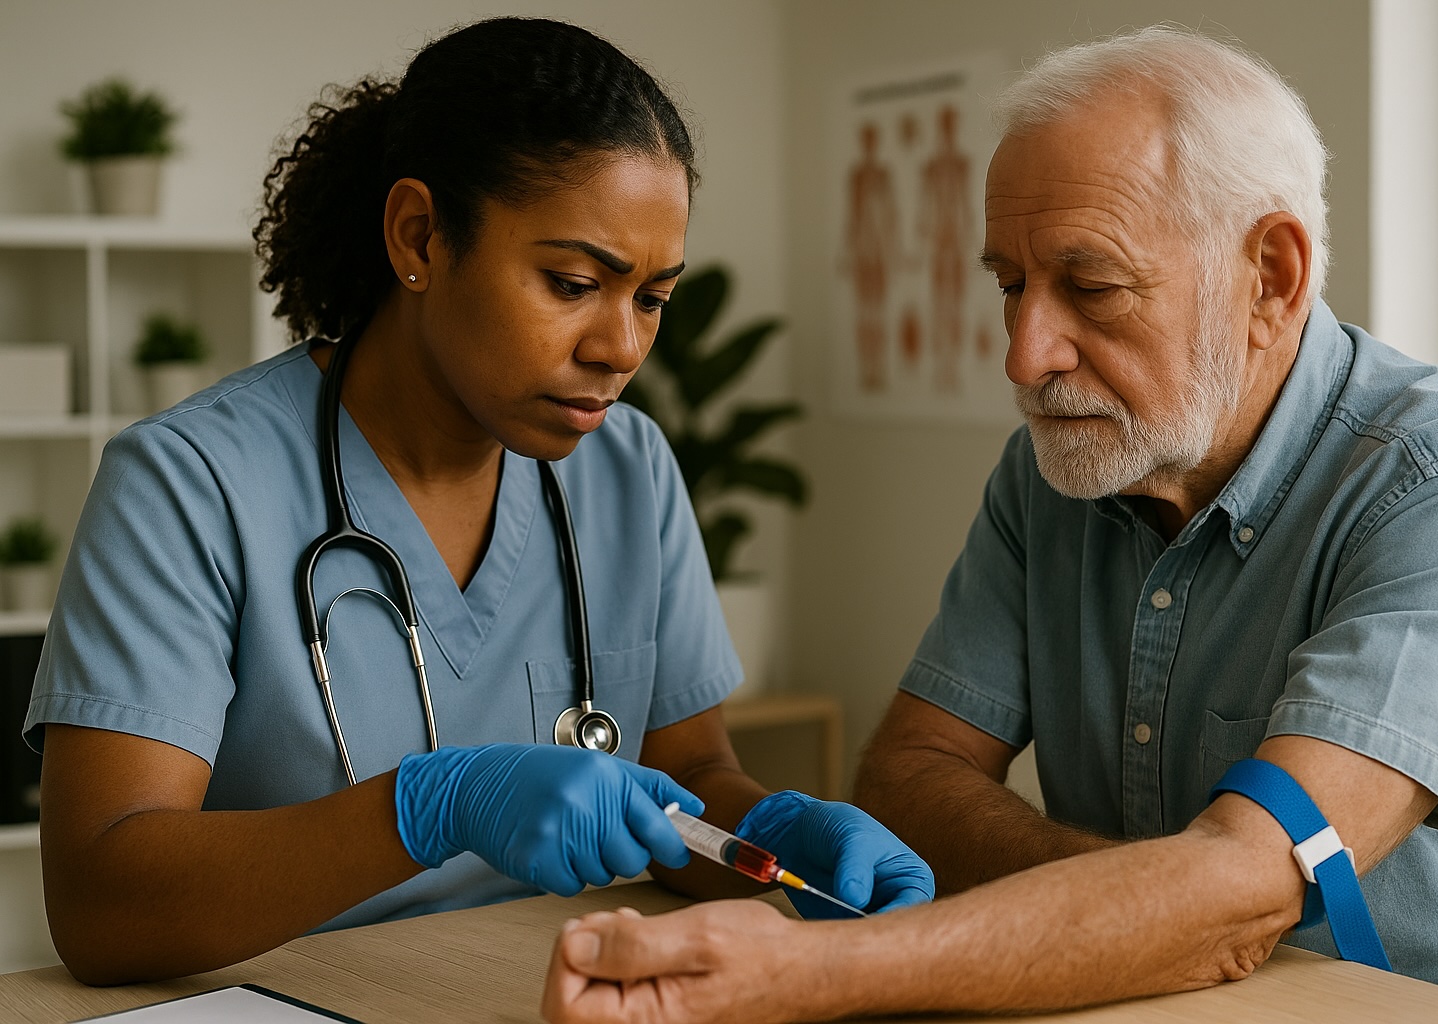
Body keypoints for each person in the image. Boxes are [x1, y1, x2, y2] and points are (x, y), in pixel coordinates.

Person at [541, 26, 1438, 1021]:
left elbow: (1250, 883)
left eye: (1091, 286)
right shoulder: (1058, 467)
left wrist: (808, 974)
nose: (1025, 356)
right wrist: (1136, 916)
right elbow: (910, 776)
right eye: (1011, 285)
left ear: (1269, 278)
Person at [24, 16, 931, 986]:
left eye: (653, 297)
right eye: (574, 281)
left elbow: (687, 782)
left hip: (537, 986)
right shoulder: (188, 484)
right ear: (419, 236)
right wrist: (432, 804)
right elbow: (99, 902)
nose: (621, 346)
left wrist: (770, 835)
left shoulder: (628, 468)